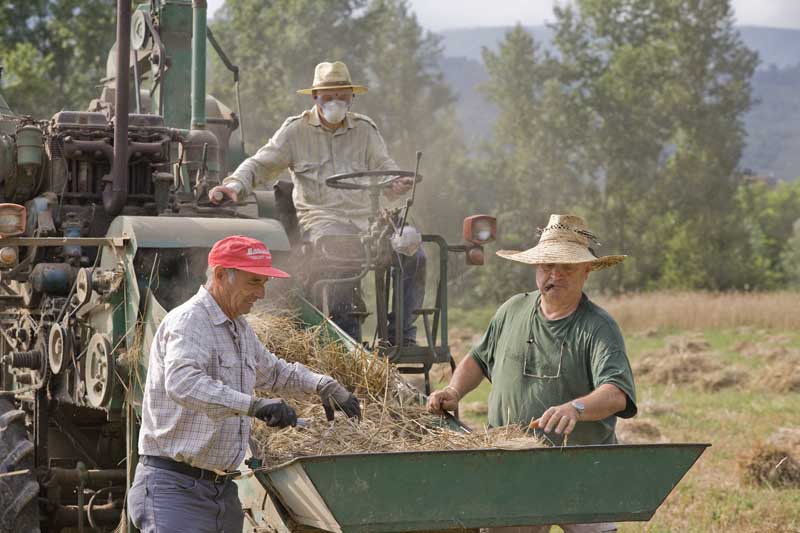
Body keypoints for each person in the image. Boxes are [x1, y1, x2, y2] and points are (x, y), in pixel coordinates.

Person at [127, 235, 361, 533]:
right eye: (254, 282)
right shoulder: (189, 322)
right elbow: (183, 384)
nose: (261, 293)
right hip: (175, 490)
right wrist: (254, 405)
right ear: (222, 274)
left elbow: (274, 371)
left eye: (264, 283)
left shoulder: (238, 327)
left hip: (221, 492)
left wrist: (324, 385)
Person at [427, 214, 637, 533]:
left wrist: (576, 408)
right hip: (512, 466)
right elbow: (478, 359)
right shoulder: (512, 310)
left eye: (566, 267)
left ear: (587, 270)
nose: (554, 275)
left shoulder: (598, 327)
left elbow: (617, 393)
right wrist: (454, 391)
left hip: (578, 469)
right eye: (546, 266)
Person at [208, 61, 425, 345]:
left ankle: (400, 336)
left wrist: (396, 183)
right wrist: (234, 185)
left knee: (413, 250)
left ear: (352, 97)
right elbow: (260, 164)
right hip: (322, 222)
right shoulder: (295, 131)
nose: (336, 101)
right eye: (328, 96)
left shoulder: (365, 130)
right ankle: (348, 344)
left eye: (342, 95)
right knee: (343, 253)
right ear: (315, 97)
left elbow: (386, 170)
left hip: (367, 220)